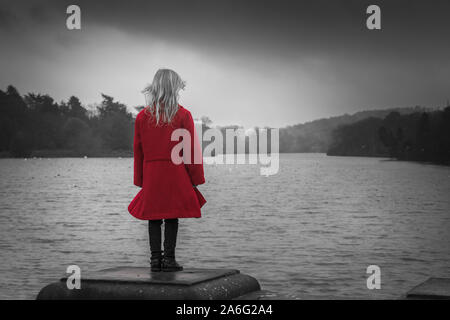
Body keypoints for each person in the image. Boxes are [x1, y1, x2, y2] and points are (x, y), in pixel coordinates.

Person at [128, 69, 206, 272]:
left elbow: (139, 151)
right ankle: (169, 260)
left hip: (152, 173)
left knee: (153, 216)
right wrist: (196, 177)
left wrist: (140, 180)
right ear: (174, 88)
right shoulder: (183, 115)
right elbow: (190, 151)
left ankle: (155, 261)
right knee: (172, 215)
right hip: (176, 173)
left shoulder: (142, 117)